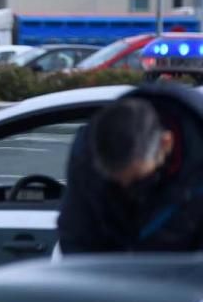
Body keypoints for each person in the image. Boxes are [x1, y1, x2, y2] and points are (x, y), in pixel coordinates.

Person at [58, 84, 203, 253]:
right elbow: (76, 234)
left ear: (166, 143)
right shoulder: (86, 154)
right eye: (115, 181)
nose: (127, 189)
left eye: (138, 180)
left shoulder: (196, 164)